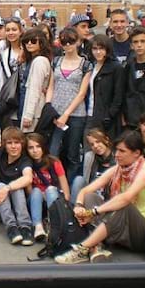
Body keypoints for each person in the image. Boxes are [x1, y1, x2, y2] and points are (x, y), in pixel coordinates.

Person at [55, 130, 145, 264]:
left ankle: (82, 249)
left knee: (123, 205)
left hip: (141, 231)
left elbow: (126, 198)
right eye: (116, 150)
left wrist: (94, 212)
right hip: (121, 226)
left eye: (122, 151)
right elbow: (85, 190)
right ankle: (97, 246)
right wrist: (79, 206)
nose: (116, 155)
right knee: (90, 197)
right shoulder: (119, 169)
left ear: (137, 153)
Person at [46, 27, 92, 181]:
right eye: (64, 42)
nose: (67, 45)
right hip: (56, 113)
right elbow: (51, 86)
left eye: (71, 42)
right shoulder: (56, 61)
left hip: (76, 114)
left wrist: (66, 114)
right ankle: (56, 185)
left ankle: (71, 190)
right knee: (53, 152)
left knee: (72, 154)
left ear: (78, 42)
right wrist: (49, 108)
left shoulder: (85, 64)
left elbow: (82, 93)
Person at [0, 126, 34, 246]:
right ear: (4, 145)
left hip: (14, 207)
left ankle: (25, 228)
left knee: (15, 187)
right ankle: (11, 228)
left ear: (22, 144)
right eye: (9, 143)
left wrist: (8, 188)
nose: (13, 146)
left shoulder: (25, 160)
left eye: (17, 143)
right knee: (0, 186)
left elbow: (28, 177)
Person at [25, 133, 70, 242]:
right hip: (36, 201)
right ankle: (38, 227)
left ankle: (54, 225)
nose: (35, 150)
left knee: (50, 189)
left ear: (43, 147)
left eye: (38, 146)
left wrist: (66, 203)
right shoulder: (27, 164)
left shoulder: (54, 162)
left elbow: (65, 188)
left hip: (54, 198)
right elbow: (29, 191)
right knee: (36, 190)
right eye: (31, 148)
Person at [85, 34, 124, 140]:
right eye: (95, 48)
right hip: (89, 114)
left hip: (106, 119)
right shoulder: (91, 65)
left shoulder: (116, 67)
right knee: (88, 153)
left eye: (101, 48)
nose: (98, 52)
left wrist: (109, 115)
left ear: (107, 49)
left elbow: (118, 95)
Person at [70, 128, 115, 204]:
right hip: (92, 192)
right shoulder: (90, 156)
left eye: (98, 142)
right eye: (92, 144)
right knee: (79, 179)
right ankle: (74, 211)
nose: (96, 146)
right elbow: (86, 179)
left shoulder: (117, 157)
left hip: (109, 195)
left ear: (106, 140)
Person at [19, 29, 51, 133]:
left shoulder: (39, 61)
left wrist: (29, 115)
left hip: (35, 113)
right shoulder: (32, 60)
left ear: (41, 43)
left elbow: (35, 89)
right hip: (29, 107)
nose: (29, 43)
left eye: (33, 41)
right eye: (26, 41)